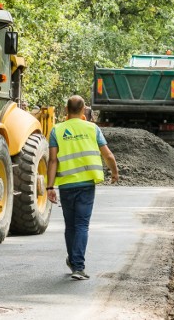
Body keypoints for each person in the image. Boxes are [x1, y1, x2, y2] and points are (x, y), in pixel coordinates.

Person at [46, 95, 119, 280]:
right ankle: (78, 266)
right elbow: (108, 155)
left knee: (70, 226)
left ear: (65, 109)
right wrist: (114, 172)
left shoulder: (57, 130)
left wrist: (49, 187)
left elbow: (52, 160)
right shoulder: (92, 128)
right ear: (84, 109)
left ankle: (73, 261)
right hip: (86, 184)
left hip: (66, 185)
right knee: (81, 225)